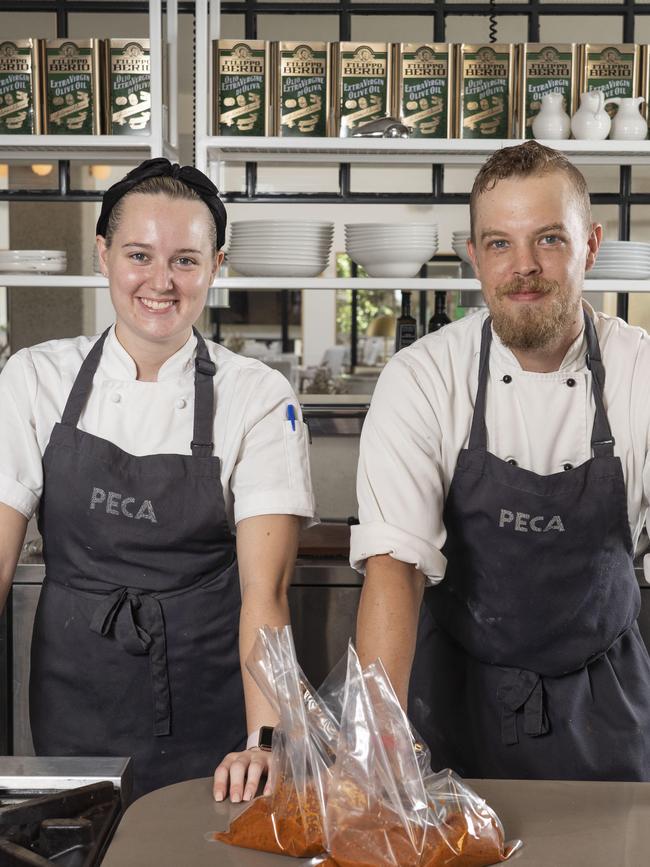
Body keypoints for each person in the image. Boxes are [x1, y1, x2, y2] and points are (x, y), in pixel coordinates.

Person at [0, 158, 315, 799]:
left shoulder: (258, 395)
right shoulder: (35, 380)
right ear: (104, 255)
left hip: (213, 715)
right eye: (139, 254)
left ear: (216, 267)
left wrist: (265, 742)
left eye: (186, 260)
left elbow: (267, 593)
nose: (161, 283)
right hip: (73, 699)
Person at [351, 140, 650, 782]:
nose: (523, 268)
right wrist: (378, 749)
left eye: (548, 240)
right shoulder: (423, 376)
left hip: (605, 706)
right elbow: (394, 568)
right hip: (450, 696)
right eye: (499, 244)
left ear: (590, 246)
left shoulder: (641, 375)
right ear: (473, 256)